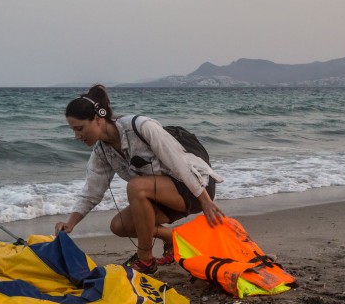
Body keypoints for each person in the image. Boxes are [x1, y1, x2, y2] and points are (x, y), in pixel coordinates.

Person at [55, 84, 225, 274]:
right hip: (162, 197)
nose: (77, 136)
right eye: (73, 130)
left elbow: (179, 163)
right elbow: (92, 191)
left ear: (98, 119)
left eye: (80, 128)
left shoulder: (141, 126)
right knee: (119, 226)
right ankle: (173, 239)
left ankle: (145, 260)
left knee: (136, 186)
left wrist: (205, 200)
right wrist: (70, 223)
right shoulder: (102, 151)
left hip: (195, 186)